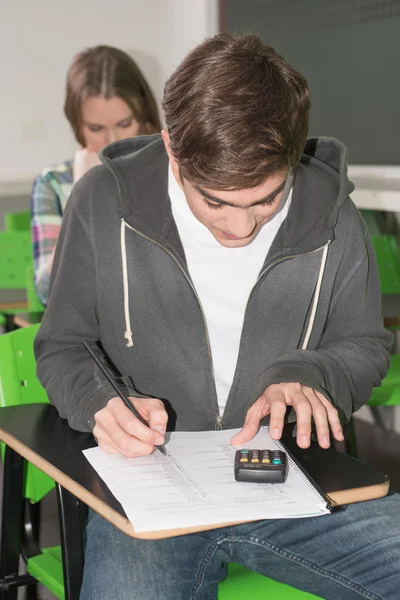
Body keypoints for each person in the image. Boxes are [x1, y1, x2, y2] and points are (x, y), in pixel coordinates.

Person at [35, 34, 400, 600]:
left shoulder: (333, 215)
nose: (240, 229)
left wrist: (311, 377)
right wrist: (102, 402)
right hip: (152, 484)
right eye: (216, 202)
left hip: (290, 479)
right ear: (172, 148)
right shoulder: (101, 202)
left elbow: (363, 343)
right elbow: (63, 345)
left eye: (265, 199)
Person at [31, 45, 161, 305]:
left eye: (124, 124)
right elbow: (49, 291)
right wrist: (83, 193)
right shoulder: (54, 184)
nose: (111, 140)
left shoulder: (170, 174)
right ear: (77, 125)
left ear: (144, 117)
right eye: (96, 128)